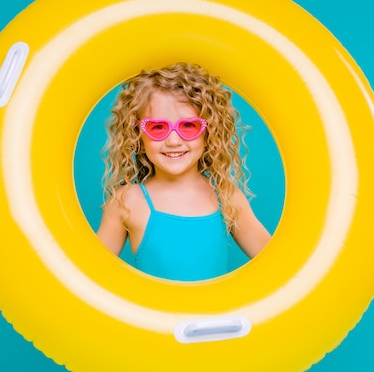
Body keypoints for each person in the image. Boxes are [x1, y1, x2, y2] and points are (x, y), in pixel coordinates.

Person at [96, 62, 271, 281]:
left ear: (209, 131)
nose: (173, 141)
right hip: (152, 316)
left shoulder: (225, 195)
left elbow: (275, 262)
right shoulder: (127, 201)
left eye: (188, 126)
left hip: (215, 316)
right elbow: (94, 275)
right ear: (136, 134)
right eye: (157, 127)